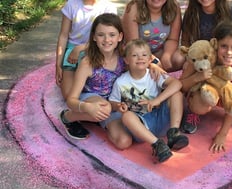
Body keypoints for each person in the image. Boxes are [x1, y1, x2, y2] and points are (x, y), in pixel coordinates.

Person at [60, 13, 165, 145]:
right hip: (92, 97)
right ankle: (68, 117)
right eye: (101, 35)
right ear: (94, 37)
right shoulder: (88, 63)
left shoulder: (123, 54)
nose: (106, 39)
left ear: (120, 36)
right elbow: (71, 99)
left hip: (114, 101)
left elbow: (147, 58)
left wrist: (153, 65)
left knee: (124, 142)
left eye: (112, 34)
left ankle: (98, 120)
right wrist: (87, 107)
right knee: (105, 107)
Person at [179, 20, 232, 153]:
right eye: (224, 46)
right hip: (205, 93)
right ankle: (194, 112)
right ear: (215, 44)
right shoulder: (203, 53)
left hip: (229, 94)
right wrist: (197, 78)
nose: (229, 52)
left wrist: (222, 134)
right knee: (200, 106)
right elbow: (181, 86)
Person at [108, 39, 189, 163]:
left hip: (159, 118)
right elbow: (112, 102)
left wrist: (157, 100)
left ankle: (173, 133)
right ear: (126, 60)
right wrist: (119, 106)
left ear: (150, 59)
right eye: (134, 55)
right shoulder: (121, 82)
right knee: (127, 116)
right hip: (141, 125)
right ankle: (157, 145)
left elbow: (177, 83)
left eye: (144, 55)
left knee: (176, 94)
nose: (140, 58)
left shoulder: (154, 74)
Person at [180, 0, 232, 133]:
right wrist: (189, 59)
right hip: (203, 62)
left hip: (224, 61)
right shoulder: (192, 13)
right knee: (201, 101)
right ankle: (194, 111)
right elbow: (185, 40)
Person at [56, 0, 117, 137]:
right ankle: (72, 115)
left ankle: (88, 108)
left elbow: (110, 34)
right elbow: (64, 35)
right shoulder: (71, 5)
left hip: (98, 48)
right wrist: (58, 64)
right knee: (69, 96)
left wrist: (82, 48)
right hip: (72, 52)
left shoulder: (108, 6)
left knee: (101, 98)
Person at [121, 0, 185, 72]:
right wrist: (154, 60)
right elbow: (133, 44)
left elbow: (173, 39)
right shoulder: (133, 8)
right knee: (154, 66)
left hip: (159, 50)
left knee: (179, 58)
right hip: (137, 51)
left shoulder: (174, 6)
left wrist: (167, 55)